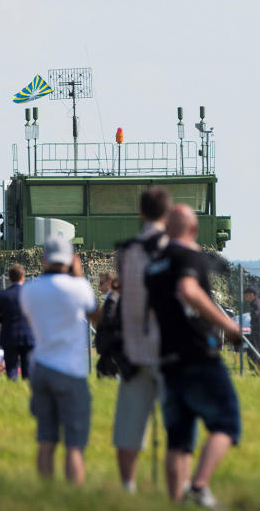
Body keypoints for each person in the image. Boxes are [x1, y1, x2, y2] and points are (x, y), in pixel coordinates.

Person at [145, 205, 243, 508]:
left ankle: (176, 502)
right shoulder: (189, 257)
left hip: (167, 357)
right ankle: (199, 487)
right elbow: (188, 289)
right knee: (226, 422)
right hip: (198, 353)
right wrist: (228, 325)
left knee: (178, 440)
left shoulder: (153, 266)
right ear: (193, 229)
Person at [19, 236, 100, 484]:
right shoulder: (79, 288)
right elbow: (97, 318)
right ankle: (73, 496)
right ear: (71, 259)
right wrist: (79, 276)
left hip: (41, 366)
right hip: (71, 370)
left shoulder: (29, 290)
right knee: (74, 443)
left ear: (43, 259)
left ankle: (47, 492)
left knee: (46, 438)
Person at [112, 186, 170, 491]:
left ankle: (127, 486)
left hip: (133, 348)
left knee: (128, 426)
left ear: (141, 211)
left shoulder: (125, 251)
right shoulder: (173, 247)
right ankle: (179, 487)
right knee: (177, 426)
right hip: (168, 348)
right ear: (167, 211)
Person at [0, 263, 34, 381]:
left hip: (9, 334)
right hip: (27, 334)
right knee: (27, 368)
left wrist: (5, 320)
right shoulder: (30, 293)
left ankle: (12, 384)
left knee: (11, 367)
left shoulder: (2, 295)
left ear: (10, 278)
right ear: (23, 277)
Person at [245, 287, 260, 372]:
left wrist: (255, 327)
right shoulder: (258, 303)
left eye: (246, 295)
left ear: (251, 294)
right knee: (255, 350)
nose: (245, 297)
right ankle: (259, 368)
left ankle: (258, 368)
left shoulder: (256, 304)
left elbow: (258, 317)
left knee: (255, 351)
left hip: (259, 331)